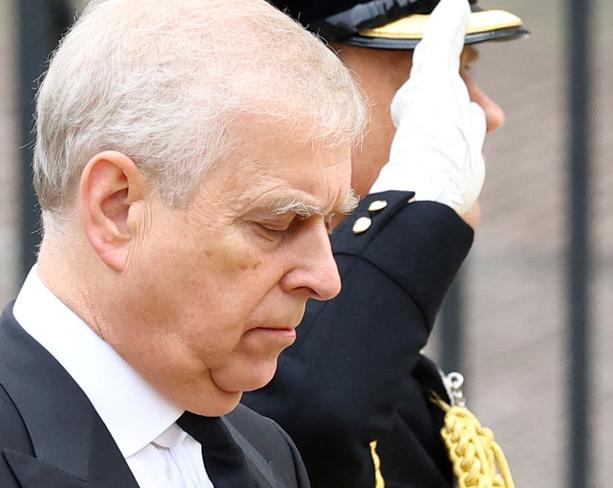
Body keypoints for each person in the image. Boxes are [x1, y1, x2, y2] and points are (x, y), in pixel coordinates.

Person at [0, 0, 368, 487]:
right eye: (277, 223)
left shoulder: (268, 452)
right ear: (117, 208)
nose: (326, 279)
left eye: (331, 224)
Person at [244, 0, 528, 487]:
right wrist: (409, 214)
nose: (488, 111)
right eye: (438, 75)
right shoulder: (238, 349)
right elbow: (304, 414)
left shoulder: (373, 352)